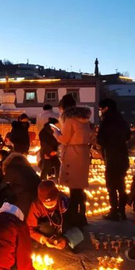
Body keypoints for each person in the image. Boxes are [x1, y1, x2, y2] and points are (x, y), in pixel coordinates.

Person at [54, 93, 95, 226]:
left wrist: (56, 133)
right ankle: (81, 214)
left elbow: (64, 139)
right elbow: (92, 135)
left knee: (73, 187)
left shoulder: (69, 119)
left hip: (72, 153)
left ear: (63, 107)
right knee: (79, 187)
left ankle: (73, 215)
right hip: (83, 152)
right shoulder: (85, 119)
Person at [96, 98, 131, 221]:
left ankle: (114, 211)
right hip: (122, 155)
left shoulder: (106, 121)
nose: (100, 111)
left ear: (106, 108)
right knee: (121, 184)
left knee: (111, 185)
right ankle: (122, 210)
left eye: (101, 109)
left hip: (111, 155)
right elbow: (128, 136)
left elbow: (100, 139)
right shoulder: (122, 120)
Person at [27, 180, 84, 250]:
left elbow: (75, 221)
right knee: (44, 228)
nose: (49, 204)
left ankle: (65, 241)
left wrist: (66, 239)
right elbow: (29, 228)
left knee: (78, 231)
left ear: (57, 196)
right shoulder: (36, 206)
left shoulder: (64, 201)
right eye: (46, 203)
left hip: (63, 227)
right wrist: (43, 239)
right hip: (47, 230)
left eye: (52, 201)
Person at [1, 152, 41, 218]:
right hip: (34, 198)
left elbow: (4, 187)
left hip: (20, 200)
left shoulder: (11, 170)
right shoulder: (30, 169)